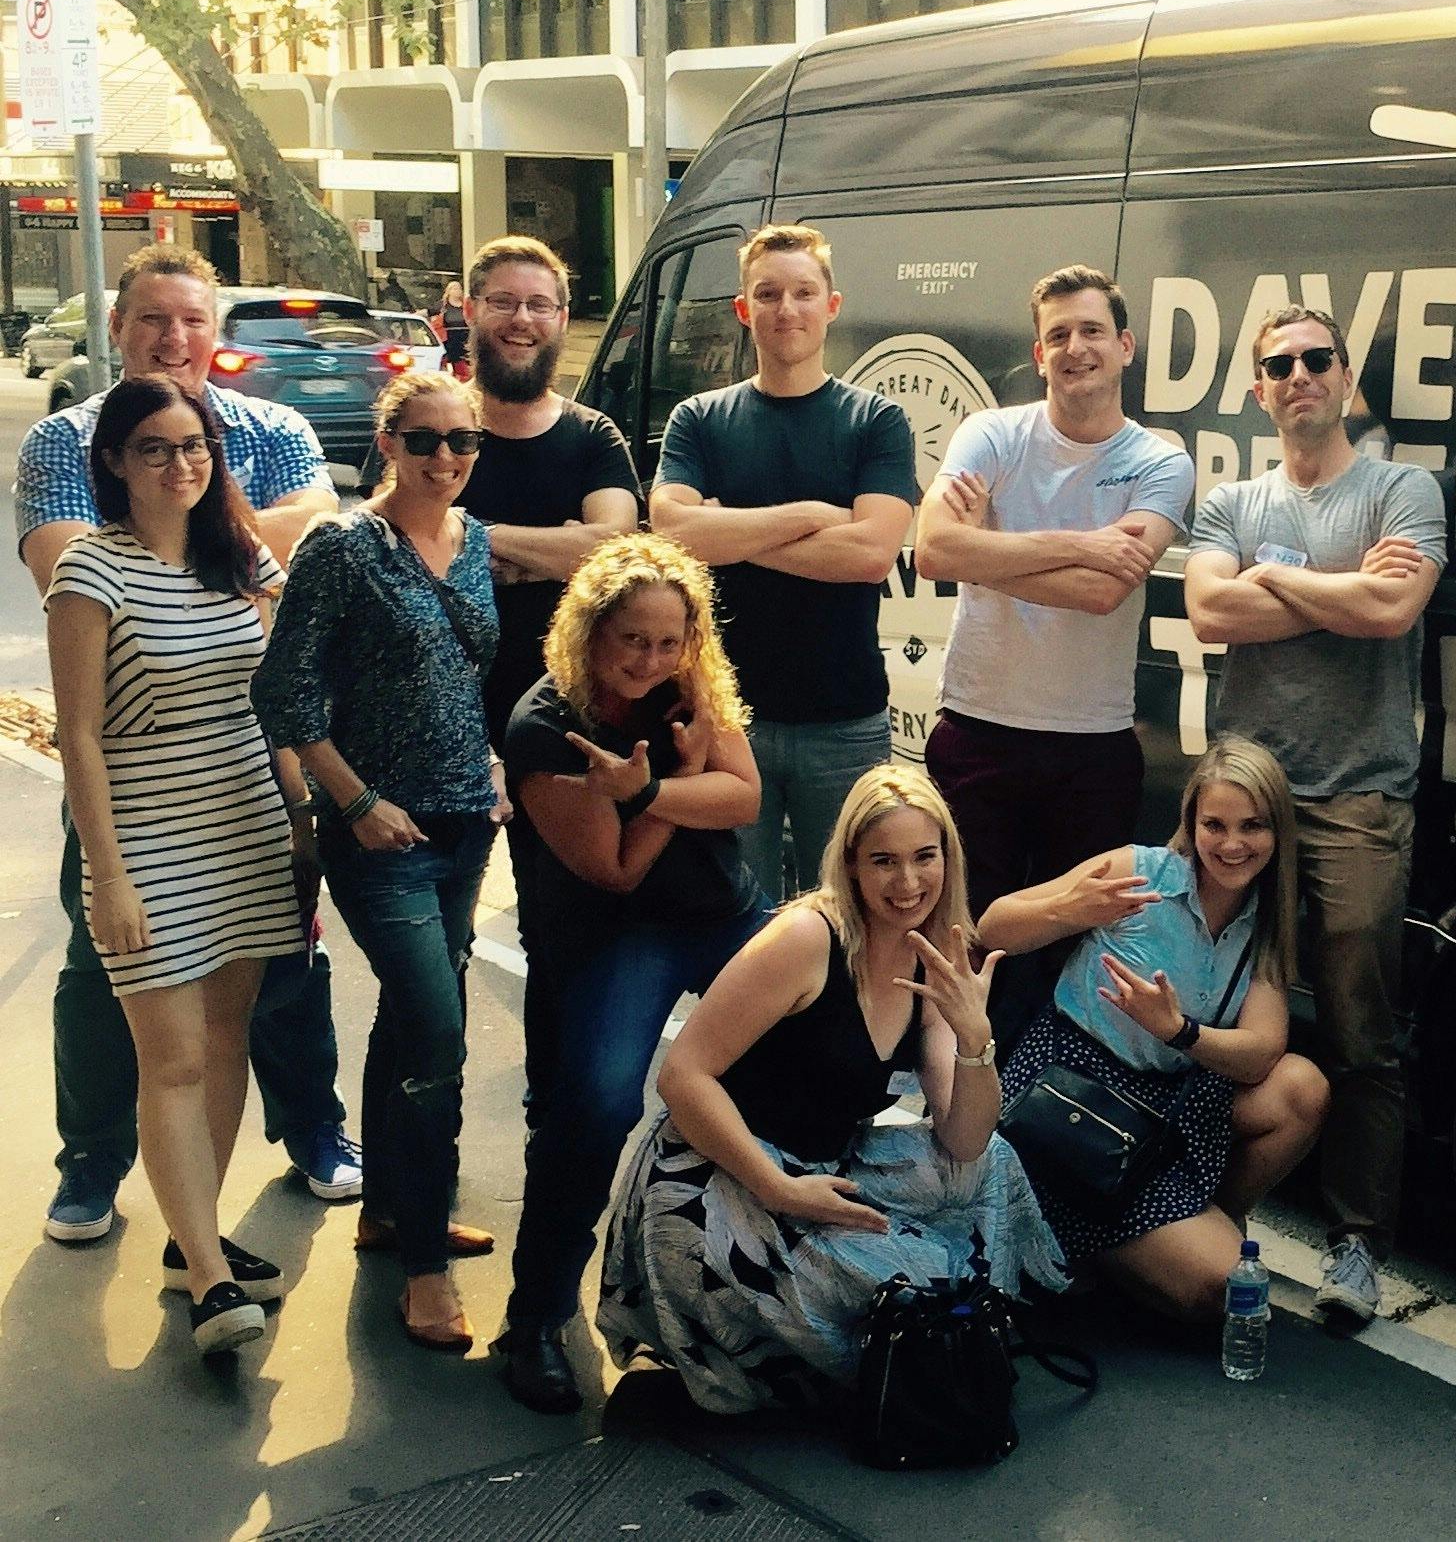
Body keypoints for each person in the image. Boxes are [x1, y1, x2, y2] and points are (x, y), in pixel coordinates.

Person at [14, 243, 357, 1248]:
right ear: (117, 326)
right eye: (154, 318)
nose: (175, 337)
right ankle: (93, 1162)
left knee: (287, 963)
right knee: (103, 965)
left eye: (194, 320)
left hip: (246, 775)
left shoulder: (274, 425)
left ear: (217, 330)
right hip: (134, 772)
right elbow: (65, 564)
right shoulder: (64, 440)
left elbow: (312, 545)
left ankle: (314, 1130)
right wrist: (221, 527)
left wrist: (212, 519)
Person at [597, 765, 1065, 1414]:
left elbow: (965, 1138)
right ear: (850, 863)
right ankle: (761, 1345)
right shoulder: (805, 939)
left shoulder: (931, 947)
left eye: (923, 857)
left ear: (946, 859)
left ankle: (926, 1334)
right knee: (908, 1291)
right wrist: (777, 1187)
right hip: (718, 1177)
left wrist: (973, 1039)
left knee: (992, 1166)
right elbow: (683, 1075)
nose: (907, 883)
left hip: (828, 1158)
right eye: (884, 861)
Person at [1182, 305, 1447, 1331]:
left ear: (1347, 378)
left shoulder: (1398, 487)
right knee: (1212, 1009)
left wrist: (1277, 576)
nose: (1299, 375)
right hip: (1244, 801)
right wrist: (1340, 587)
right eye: (1278, 364)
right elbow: (1211, 613)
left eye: (1316, 359)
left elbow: (1391, 612)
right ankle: (1195, 1207)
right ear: (1259, 390)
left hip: (1358, 797)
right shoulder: (1233, 497)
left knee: (1360, 1032)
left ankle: (1357, 1243)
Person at [45, 377, 308, 1357]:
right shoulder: (90, 572)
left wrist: (300, 814)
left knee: (229, 1034)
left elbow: (286, 690)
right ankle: (207, 1278)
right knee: (176, 1055)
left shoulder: (240, 557)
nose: (180, 463)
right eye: (153, 448)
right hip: (146, 838)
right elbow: (77, 737)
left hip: (244, 823)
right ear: (114, 461)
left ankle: (194, 1238)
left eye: (194, 445)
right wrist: (106, 875)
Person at [255, 371, 507, 1354]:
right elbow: (285, 693)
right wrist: (353, 801)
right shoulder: (342, 545)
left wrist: (488, 763)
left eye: (464, 441)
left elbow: (467, 674)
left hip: (463, 828)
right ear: (387, 439)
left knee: (411, 1019)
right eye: (427, 438)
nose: (446, 457)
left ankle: (391, 1210)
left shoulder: (475, 539)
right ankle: (427, 1269)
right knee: (439, 1032)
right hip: (377, 835)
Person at [491, 533, 769, 1414]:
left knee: (811, 1030)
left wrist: (651, 791)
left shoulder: (691, 682)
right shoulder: (547, 724)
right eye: (632, 642)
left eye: (669, 640)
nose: (652, 660)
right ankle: (533, 1316)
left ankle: (771, 1287)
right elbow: (613, 868)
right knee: (596, 1107)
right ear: (590, 633)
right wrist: (672, 793)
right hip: (615, 934)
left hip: (719, 910)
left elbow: (744, 795)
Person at [914, 264, 1195, 1044]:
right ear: (1039, 355)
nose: (1075, 349)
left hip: (1092, 746)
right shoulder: (992, 433)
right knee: (963, 944)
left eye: (1091, 331)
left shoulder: (1160, 462)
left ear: (1126, 345)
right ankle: (960, 1124)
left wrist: (991, 547)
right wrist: (1078, 544)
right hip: (978, 726)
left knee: (1077, 953)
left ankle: (1044, 1124)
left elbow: (1107, 591)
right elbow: (934, 548)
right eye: (1058, 336)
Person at [985, 737, 1330, 1323]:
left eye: (1253, 826)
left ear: (1278, 834)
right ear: (1191, 821)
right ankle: (1127, 1249)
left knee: (1302, 1087)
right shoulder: (1137, 871)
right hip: (1073, 1090)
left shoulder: (1266, 921)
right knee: (1223, 1292)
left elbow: (1261, 1054)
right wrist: (1071, 910)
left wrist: (1179, 1031)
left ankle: (1182, 1230)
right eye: (1214, 824)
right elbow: (993, 927)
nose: (1233, 844)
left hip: (1168, 1097)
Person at [650, 225, 916, 897]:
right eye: (767, 294)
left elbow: (868, 553)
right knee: (739, 915)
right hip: (726, 715)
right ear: (743, 309)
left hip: (844, 719)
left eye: (803, 292)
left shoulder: (875, 421)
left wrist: (728, 527)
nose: (785, 309)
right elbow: (672, 530)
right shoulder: (701, 419)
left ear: (832, 304)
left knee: (853, 912)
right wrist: (810, 515)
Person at [444, 235, 641, 1136]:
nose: (521, 319)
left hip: (563, 728)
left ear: (561, 321)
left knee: (562, 937)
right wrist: (540, 546)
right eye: (503, 301)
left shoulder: (592, 436)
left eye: (539, 305)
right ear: (469, 308)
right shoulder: (437, 426)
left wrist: (472, 538)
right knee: (434, 951)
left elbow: (610, 553)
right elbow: (401, 551)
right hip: (440, 727)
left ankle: (553, 1118)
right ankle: (419, 1159)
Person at [431, 281, 471, 378]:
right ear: (448, 291)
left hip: (465, 337)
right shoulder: (442, 305)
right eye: (454, 288)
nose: (457, 291)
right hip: (449, 338)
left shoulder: (465, 305)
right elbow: (429, 313)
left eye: (459, 288)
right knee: (452, 360)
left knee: (465, 362)